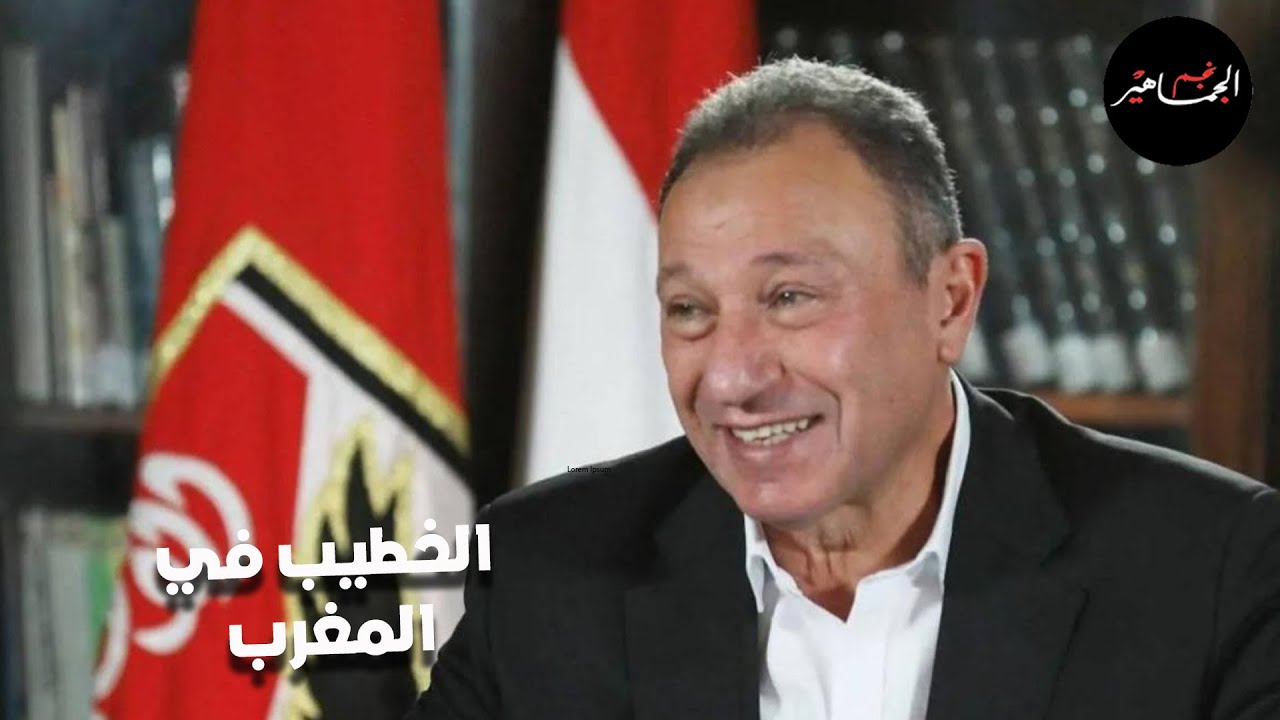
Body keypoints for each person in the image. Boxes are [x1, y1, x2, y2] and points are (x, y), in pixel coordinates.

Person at [407, 58, 1280, 720]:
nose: (733, 376)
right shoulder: (547, 573)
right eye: (690, 310)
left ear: (950, 300)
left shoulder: (1213, 569)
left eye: (790, 298)